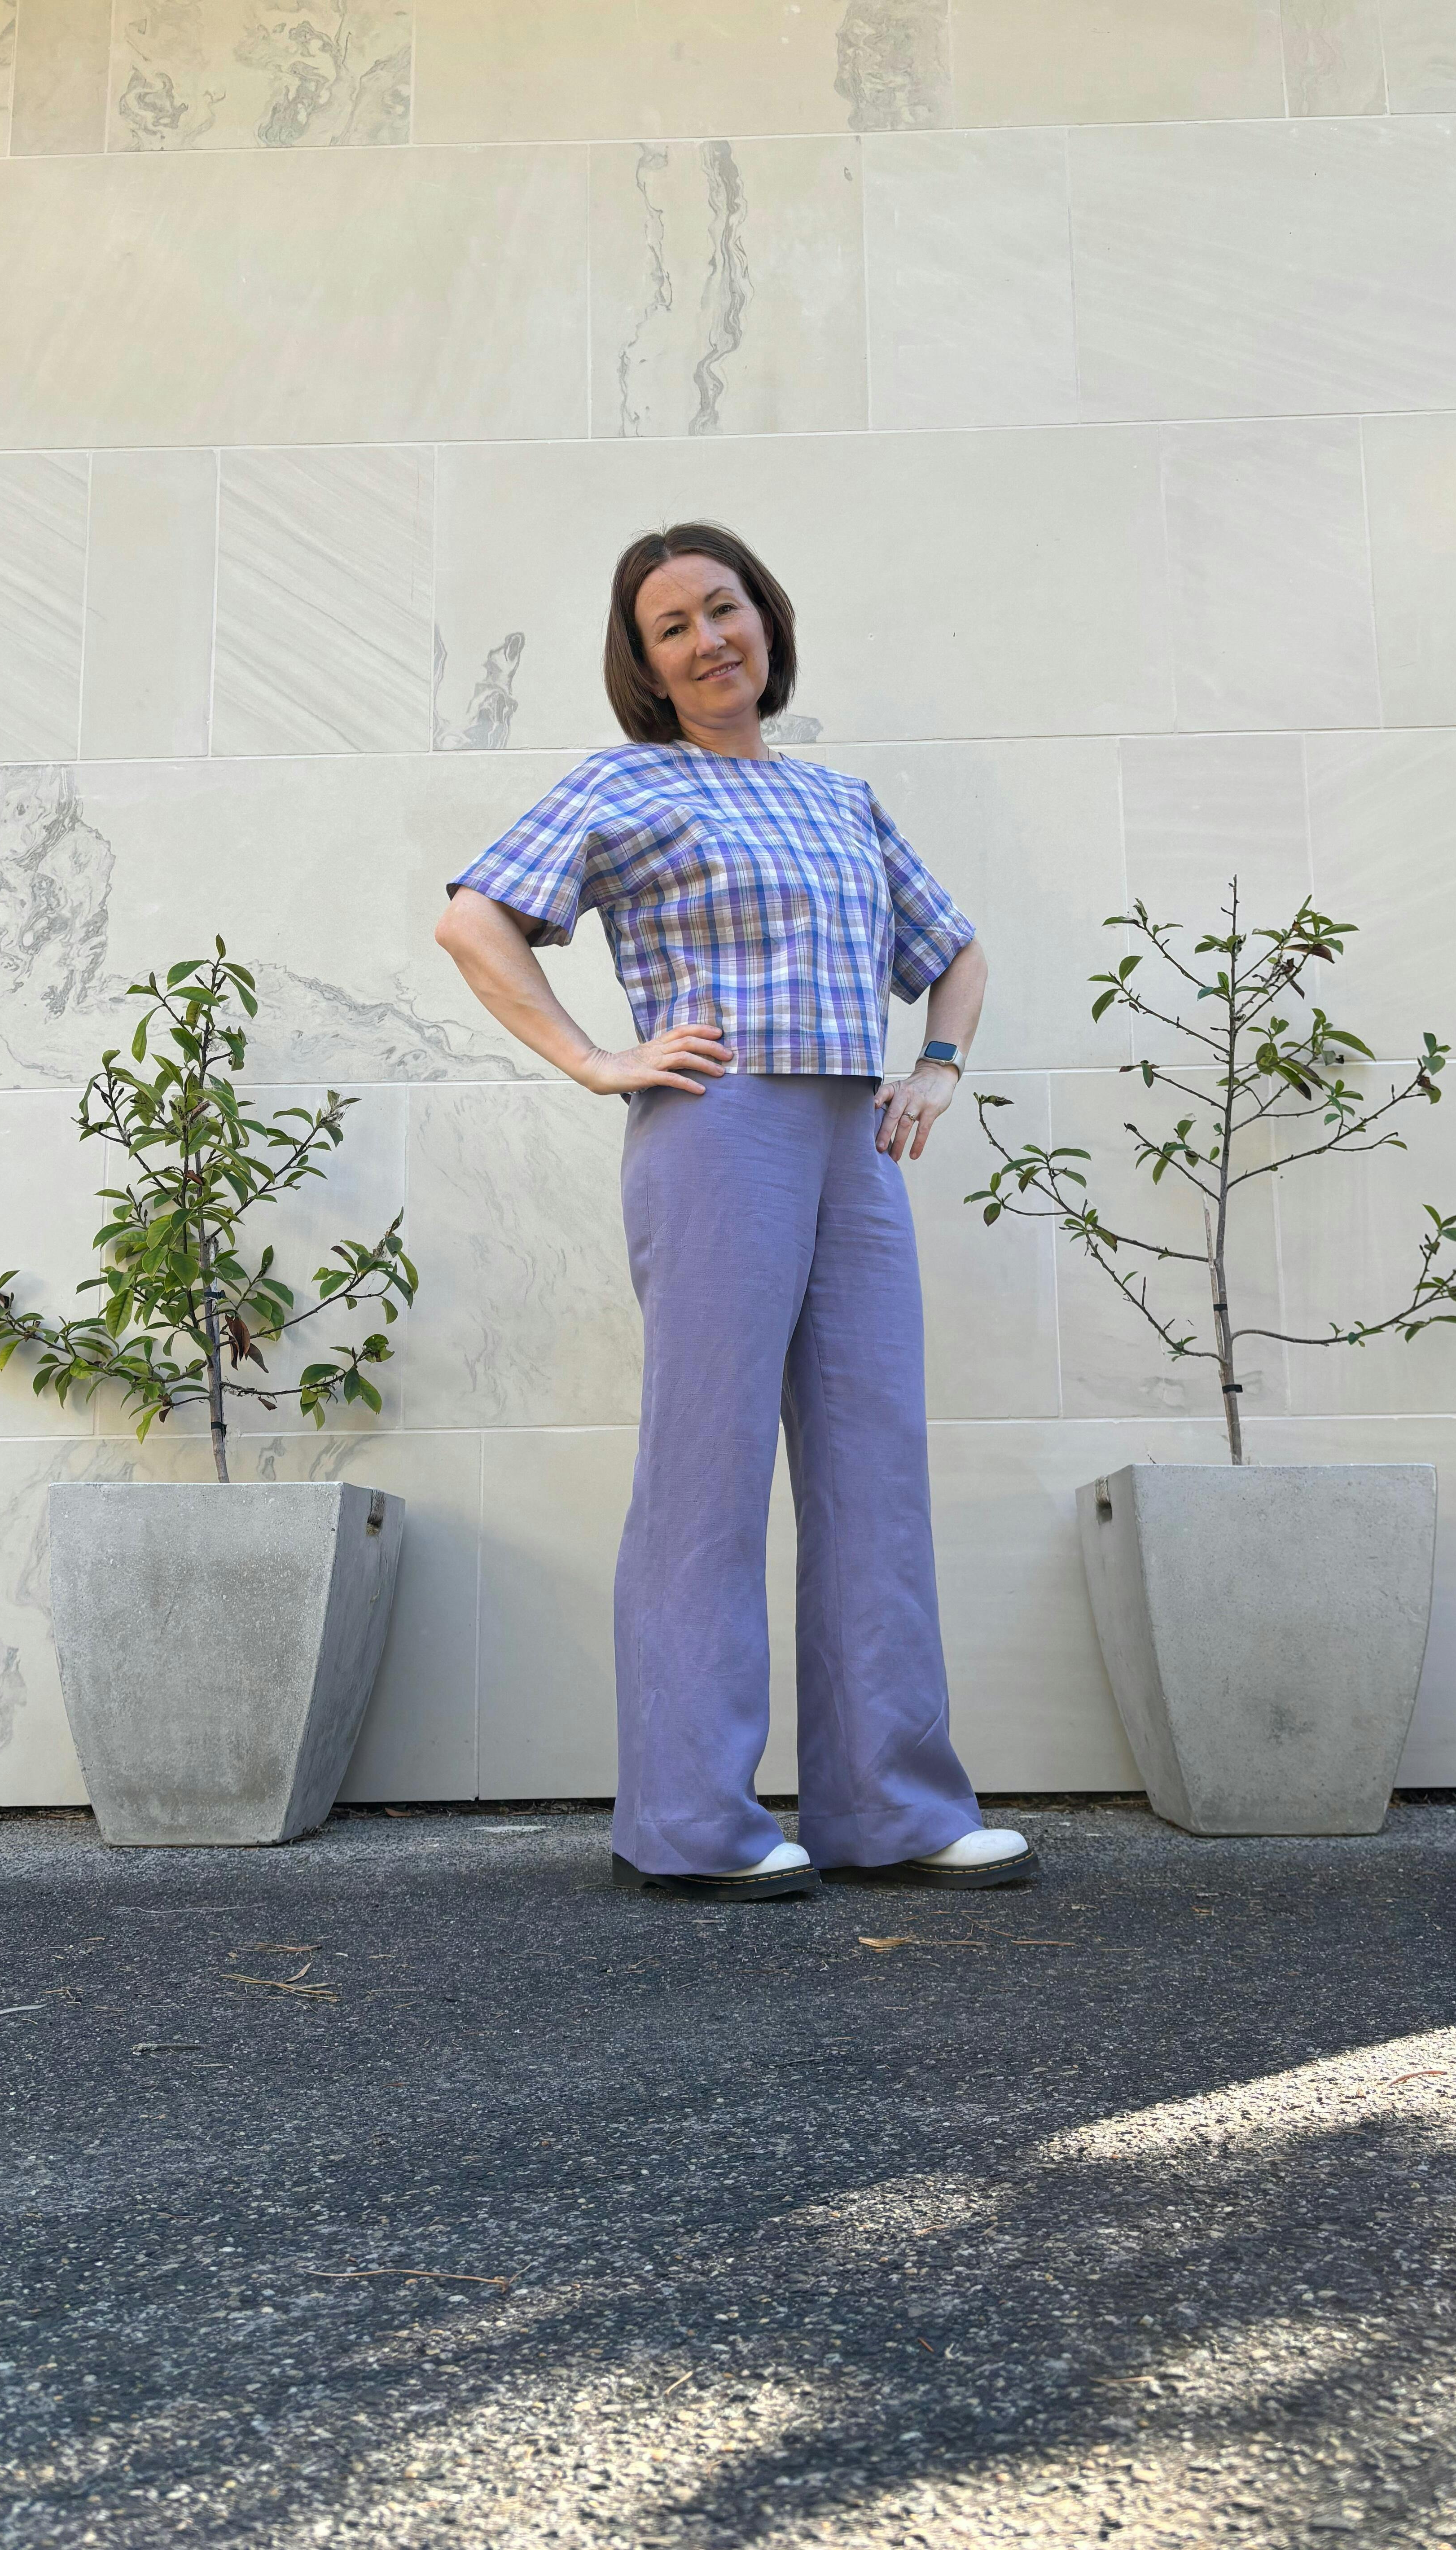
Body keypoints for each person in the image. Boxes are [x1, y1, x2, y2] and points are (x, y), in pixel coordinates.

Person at [434, 523, 1037, 1904]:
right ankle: (693, 1822)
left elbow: (952, 951)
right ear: (645, 665)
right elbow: (474, 920)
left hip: (851, 1145)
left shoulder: (839, 798)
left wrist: (938, 1067)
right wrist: (595, 1060)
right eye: (672, 628)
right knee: (704, 1476)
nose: (708, 639)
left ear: (766, 619)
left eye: (724, 607)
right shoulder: (627, 783)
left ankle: (890, 1809)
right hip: (718, 1131)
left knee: (873, 1469)